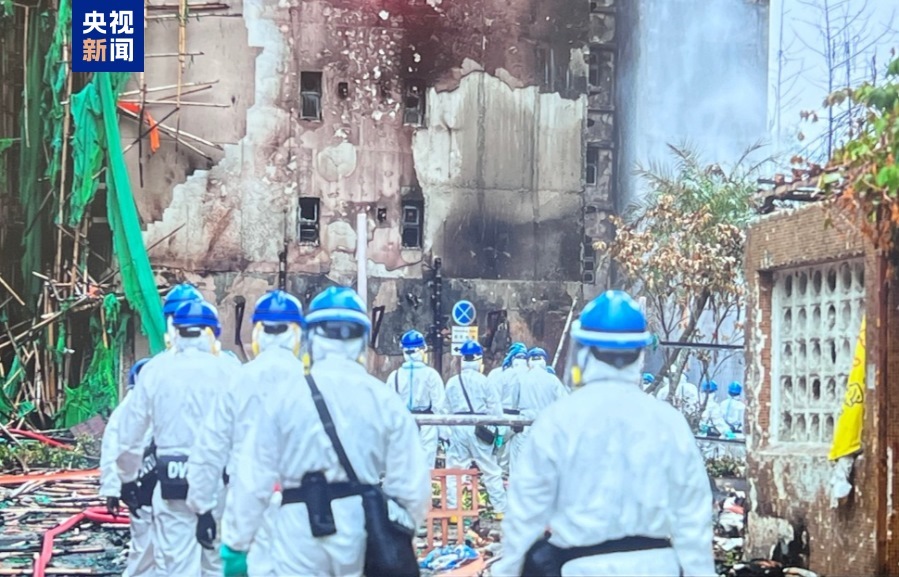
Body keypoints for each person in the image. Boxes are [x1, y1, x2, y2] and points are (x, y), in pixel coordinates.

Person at [493, 290, 715, 577]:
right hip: (659, 566)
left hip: (579, 567)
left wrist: (507, 570)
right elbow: (694, 517)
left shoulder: (558, 421)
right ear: (640, 353)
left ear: (583, 351)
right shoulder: (669, 422)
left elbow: (525, 514)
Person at [219, 286, 430, 577]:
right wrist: (395, 529)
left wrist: (236, 543)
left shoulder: (285, 396)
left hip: (297, 528)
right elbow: (412, 486)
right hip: (359, 526)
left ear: (310, 337)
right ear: (363, 338)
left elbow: (253, 477)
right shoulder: (384, 400)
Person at [186, 290, 306, 576]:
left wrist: (202, 506)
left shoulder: (239, 379)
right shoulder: (310, 380)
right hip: (303, 502)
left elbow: (210, 447)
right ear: (297, 333)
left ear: (257, 332)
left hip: (245, 497)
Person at [116, 300, 236, 577]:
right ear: (212, 333)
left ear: (176, 332)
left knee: (176, 563)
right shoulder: (230, 371)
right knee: (216, 563)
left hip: (172, 480)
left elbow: (130, 432)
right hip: (218, 481)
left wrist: (126, 478)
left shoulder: (155, 370)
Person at [100, 358, 156, 577]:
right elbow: (115, 450)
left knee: (149, 547)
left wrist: (114, 489)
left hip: (147, 484)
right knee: (148, 547)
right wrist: (113, 489)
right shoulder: (132, 408)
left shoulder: (140, 406)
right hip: (144, 485)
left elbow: (114, 450)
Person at [444, 339, 507, 519]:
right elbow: (495, 410)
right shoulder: (484, 381)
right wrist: (497, 429)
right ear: (479, 359)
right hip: (480, 427)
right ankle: (500, 510)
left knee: (455, 471)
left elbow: (445, 409)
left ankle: (454, 512)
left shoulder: (452, 382)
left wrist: (448, 432)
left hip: (458, 427)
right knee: (490, 470)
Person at [386, 329, 448, 469]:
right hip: (428, 424)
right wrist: (444, 434)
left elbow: (388, 407)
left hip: (402, 424)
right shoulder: (431, 375)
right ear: (422, 349)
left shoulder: (394, 376)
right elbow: (440, 406)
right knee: (426, 467)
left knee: (403, 466)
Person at [508, 347, 567, 476]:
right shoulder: (553, 380)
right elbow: (565, 403)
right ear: (544, 361)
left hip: (523, 427)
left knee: (519, 465)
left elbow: (513, 405)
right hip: (547, 427)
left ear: (529, 362)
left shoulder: (520, 379)